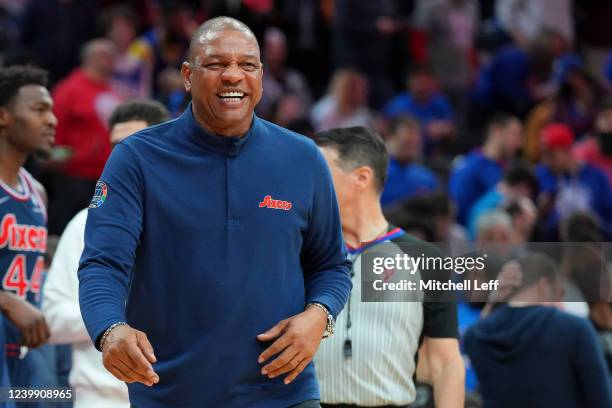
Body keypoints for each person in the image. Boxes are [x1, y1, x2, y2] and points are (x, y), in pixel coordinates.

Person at [78, 17, 351, 408]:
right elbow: (103, 264)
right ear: (188, 75)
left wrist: (320, 316)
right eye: (217, 64)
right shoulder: (136, 158)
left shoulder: (303, 157)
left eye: (248, 65)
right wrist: (110, 330)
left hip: (285, 393)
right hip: (171, 393)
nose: (233, 76)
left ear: (261, 74)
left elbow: (331, 265)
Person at [312, 127, 464, 407]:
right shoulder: (299, 252)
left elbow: (446, 363)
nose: (308, 182)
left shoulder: (425, 259)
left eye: (319, 171)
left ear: (362, 177)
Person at [42, 100, 170, 408]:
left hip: (180, 396)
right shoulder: (84, 222)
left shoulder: (194, 218)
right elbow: (51, 320)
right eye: (115, 146)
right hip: (98, 398)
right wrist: (110, 314)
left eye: (132, 144)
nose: (122, 156)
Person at [465, 253, 612, 407]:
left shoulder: (476, 336)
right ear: (543, 285)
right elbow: (602, 401)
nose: (562, 305)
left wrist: (493, 302)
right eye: (560, 295)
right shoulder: (575, 329)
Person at [0, 65, 55, 405]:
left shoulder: (38, 192)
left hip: (23, 349)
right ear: (4, 116)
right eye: (39, 110)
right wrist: (7, 301)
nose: (52, 120)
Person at [48, 38, 122, 234]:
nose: (110, 61)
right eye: (104, 55)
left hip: (105, 177)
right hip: (75, 177)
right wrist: (61, 159)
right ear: (90, 58)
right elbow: (54, 129)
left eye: (112, 56)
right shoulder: (69, 89)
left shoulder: (113, 92)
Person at [535, 122, 612, 239]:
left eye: (551, 154)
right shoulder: (540, 175)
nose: (546, 160)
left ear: (567, 150)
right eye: (543, 154)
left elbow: (608, 217)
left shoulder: (596, 178)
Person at [449, 112, 523, 225]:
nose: (519, 143)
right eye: (515, 134)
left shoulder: (506, 166)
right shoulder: (471, 167)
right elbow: (459, 211)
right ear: (497, 130)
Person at [380, 115, 439, 207]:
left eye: (415, 144)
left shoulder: (427, 178)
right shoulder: (372, 174)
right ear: (390, 138)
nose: (411, 149)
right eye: (406, 143)